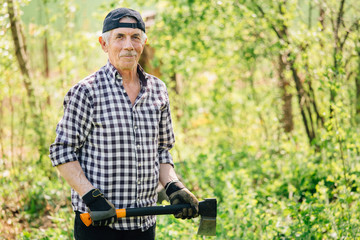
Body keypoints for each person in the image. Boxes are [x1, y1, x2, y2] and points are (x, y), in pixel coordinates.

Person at [49, 7, 199, 240]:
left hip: (144, 225)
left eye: (135, 37)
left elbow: (161, 150)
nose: (128, 45)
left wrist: (173, 186)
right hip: (98, 226)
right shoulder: (87, 92)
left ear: (143, 42)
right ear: (104, 44)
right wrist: (91, 197)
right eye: (119, 37)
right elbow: (62, 151)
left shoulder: (158, 90)